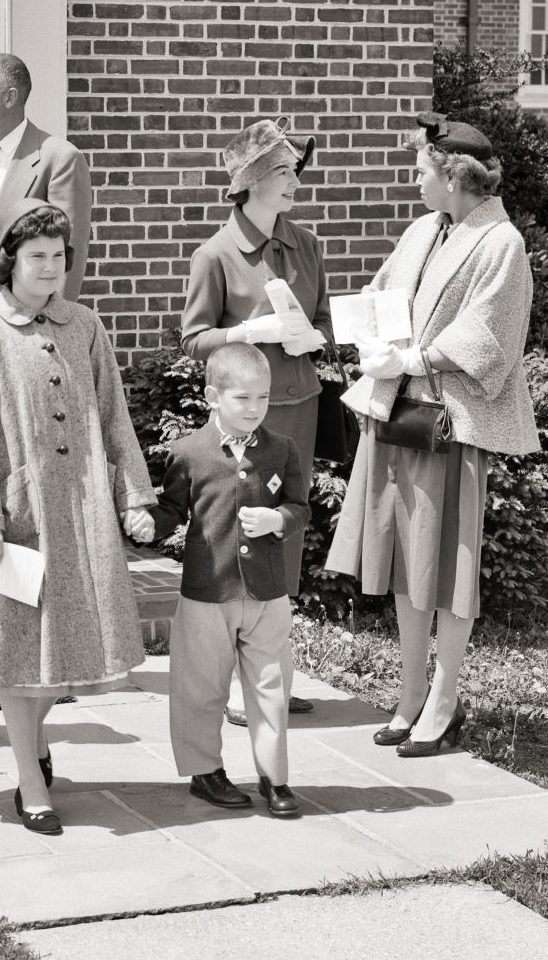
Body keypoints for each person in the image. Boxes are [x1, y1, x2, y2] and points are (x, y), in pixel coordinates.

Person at [0, 200, 154, 836]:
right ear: (10, 263)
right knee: (16, 661)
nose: (50, 268)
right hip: (10, 514)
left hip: (78, 512)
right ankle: (30, 781)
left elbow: (112, 414)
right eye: (36, 257)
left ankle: (35, 746)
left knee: (64, 658)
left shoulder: (85, 325)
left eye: (58, 256)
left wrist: (133, 495)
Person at [326, 112, 537, 757]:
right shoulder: (424, 229)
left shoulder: (501, 243)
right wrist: (363, 335)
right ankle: (410, 695)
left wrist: (415, 359)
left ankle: (442, 703)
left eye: (421, 171)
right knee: (402, 566)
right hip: (394, 418)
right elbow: (382, 294)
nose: (414, 181)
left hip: (446, 427)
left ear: (451, 176)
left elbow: (492, 334)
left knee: (447, 571)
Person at [180, 118, 329, 723]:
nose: (295, 180)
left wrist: (310, 336)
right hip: (242, 418)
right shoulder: (215, 253)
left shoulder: (307, 243)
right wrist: (247, 333)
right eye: (282, 171)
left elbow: (325, 319)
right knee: (240, 535)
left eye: (296, 170)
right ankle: (244, 686)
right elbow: (192, 339)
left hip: (299, 406)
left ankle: (272, 673)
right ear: (249, 183)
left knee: (283, 530)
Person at [155, 344, 309, 818]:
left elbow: (300, 507)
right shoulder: (187, 453)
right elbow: (171, 512)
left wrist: (278, 519)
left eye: (262, 398)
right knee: (201, 686)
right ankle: (205, 772)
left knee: (270, 685)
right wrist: (144, 524)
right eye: (242, 398)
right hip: (208, 591)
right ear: (212, 396)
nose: (254, 408)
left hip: (267, 592)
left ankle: (273, 776)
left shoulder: (281, 449)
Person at [0, 54, 92, 311]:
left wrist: (50, 326)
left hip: (26, 320)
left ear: (9, 98)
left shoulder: (59, 159)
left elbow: (67, 255)